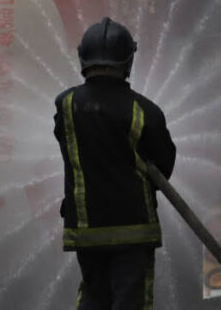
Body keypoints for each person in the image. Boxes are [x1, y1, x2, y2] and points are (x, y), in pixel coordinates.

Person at [53, 17, 176, 309]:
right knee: (131, 302)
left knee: (93, 296)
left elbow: (71, 149)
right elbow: (164, 165)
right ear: (127, 60)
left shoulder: (66, 106)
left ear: (83, 57)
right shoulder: (146, 111)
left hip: (86, 226)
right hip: (134, 229)